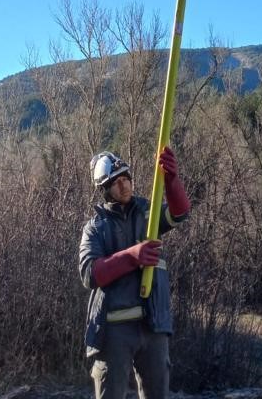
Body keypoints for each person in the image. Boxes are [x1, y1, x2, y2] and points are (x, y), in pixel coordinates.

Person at [79, 147, 190, 399]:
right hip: (113, 329)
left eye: (126, 178)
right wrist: (131, 256)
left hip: (153, 325)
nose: (124, 186)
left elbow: (180, 212)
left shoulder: (147, 212)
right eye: (116, 182)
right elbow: (89, 273)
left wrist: (172, 178)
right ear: (104, 189)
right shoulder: (95, 228)